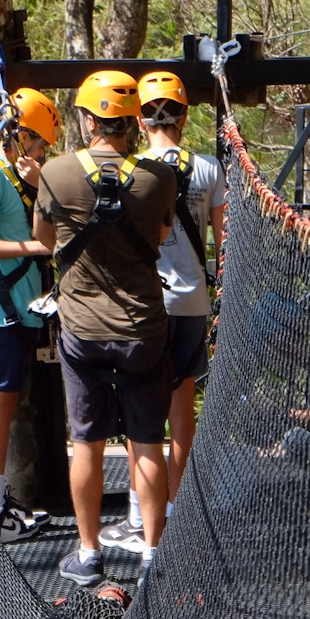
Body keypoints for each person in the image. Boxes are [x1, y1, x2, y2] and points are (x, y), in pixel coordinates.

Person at [33, 70, 177, 587]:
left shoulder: (56, 173)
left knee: (88, 442)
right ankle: (153, 555)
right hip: (143, 329)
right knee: (147, 442)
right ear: (133, 121)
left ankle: (89, 553)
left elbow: (44, 238)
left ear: (89, 121)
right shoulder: (160, 177)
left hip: (83, 331)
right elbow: (160, 234)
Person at [98, 71, 225, 554]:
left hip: (144, 302)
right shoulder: (209, 169)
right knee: (180, 409)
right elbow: (223, 240)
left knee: (141, 408)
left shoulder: (130, 169)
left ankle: (138, 515)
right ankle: (175, 512)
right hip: (191, 301)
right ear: (184, 116)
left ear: (139, 119)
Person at [0, 87, 61, 542]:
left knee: (8, 399)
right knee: (0, 402)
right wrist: (33, 248)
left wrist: (43, 187)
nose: (42, 152)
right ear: (21, 136)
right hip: (0, 308)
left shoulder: (25, 176)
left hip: (23, 306)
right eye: (39, 143)